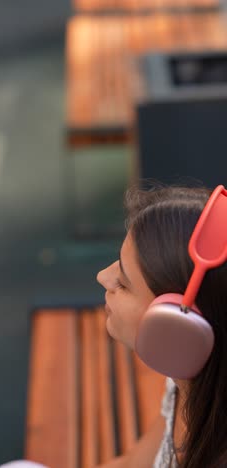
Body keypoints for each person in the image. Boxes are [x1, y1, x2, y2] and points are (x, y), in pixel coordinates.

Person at [96, 184, 227, 468]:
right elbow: (134, 464)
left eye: (123, 282)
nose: (103, 277)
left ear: (179, 327)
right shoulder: (187, 383)